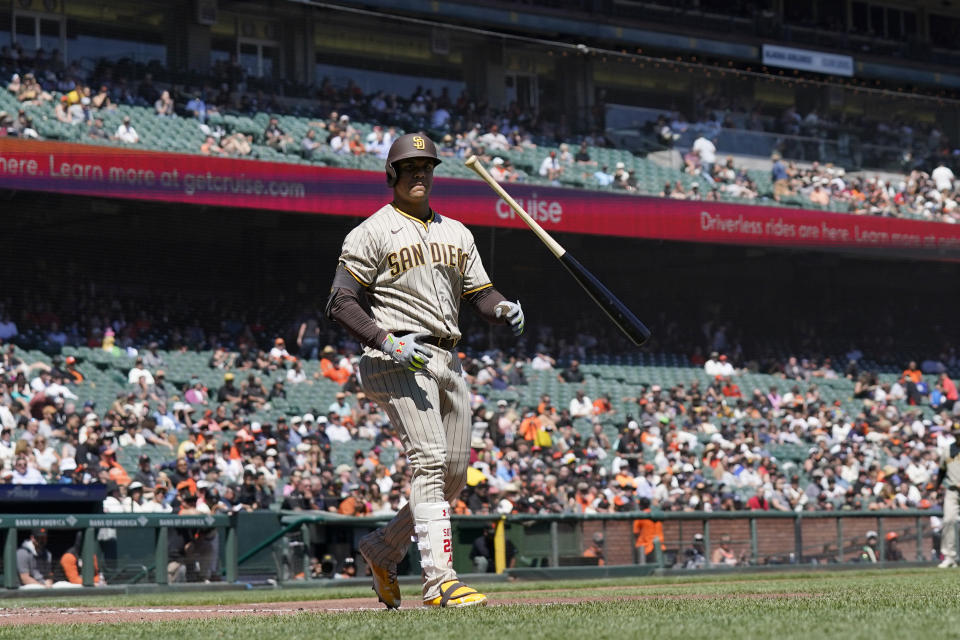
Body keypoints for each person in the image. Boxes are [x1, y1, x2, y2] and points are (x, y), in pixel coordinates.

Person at [326, 133, 524, 609]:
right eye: (409, 166)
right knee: (431, 461)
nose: (419, 173)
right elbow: (339, 301)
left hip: (446, 358)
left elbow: (480, 293)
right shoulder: (371, 231)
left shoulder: (458, 232)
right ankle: (440, 582)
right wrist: (386, 341)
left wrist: (501, 309)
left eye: (427, 166)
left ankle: (382, 548)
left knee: (453, 473)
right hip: (395, 354)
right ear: (392, 175)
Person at [936, 425, 960, 568]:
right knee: (948, 520)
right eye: (956, 433)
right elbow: (941, 471)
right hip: (952, 490)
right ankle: (949, 556)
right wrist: (935, 487)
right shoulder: (947, 450)